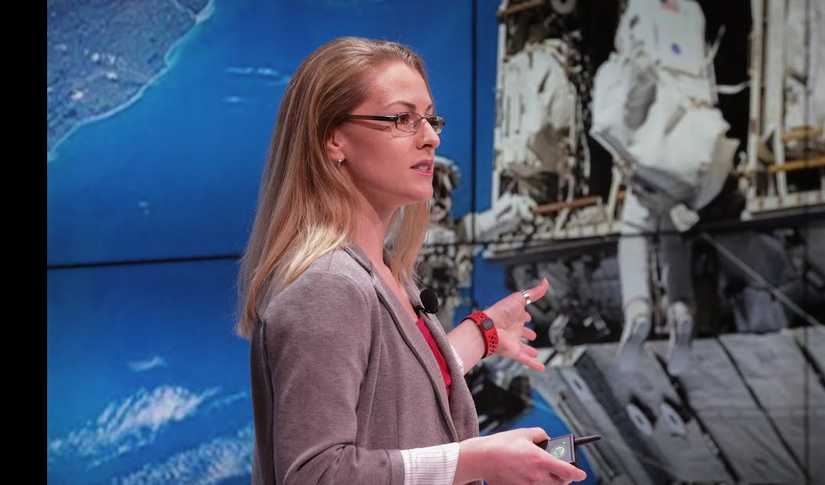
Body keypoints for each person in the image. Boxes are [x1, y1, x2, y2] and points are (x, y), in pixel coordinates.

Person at [235, 36, 589, 485]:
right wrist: (476, 460)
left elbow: (391, 393)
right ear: (333, 140)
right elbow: (317, 474)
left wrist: (481, 336)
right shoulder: (328, 287)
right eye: (402, 119)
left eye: (430, 119)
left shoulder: (381, 273)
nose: (431, 138)